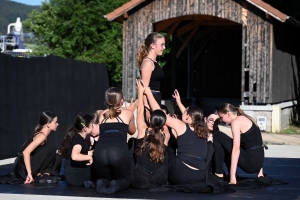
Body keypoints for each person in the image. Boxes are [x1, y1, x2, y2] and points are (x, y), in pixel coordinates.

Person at [141, 81, 209, 185]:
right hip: (200, 176)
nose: (183, 111)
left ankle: (158, 176)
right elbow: (191, 117)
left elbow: (159, 112)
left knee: (168, 149)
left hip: (182, 173)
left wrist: (149, 93)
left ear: (187, 116)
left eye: (185, 111)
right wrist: (179, 103)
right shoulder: (203, 131)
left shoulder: (181, 126)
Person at [93, 87, 137, 194]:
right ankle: (116, 184)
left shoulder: (102, 114)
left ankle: (102, 182)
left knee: (106, 177)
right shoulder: (128, 113)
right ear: (122, 101)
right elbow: (132, 131)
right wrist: (130, 111)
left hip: (99, 152)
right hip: (117, 151)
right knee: (126, 179)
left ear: (107, 101)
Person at [0, 111, 60, 184]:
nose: (57, 124)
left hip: (23, 168)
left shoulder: (41, 135)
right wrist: (29, 173)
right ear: (48, 124)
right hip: (23, 170)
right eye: (56, 122)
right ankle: (39, 174)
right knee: (51, 147)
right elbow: (26, 152)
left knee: (57, 156)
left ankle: (44, 174)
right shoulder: (41, 136)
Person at [131, 80, 170, 189]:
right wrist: (149, 93)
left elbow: (139, 113)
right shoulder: (166, 135)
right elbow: (162, 116)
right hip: (159, 179)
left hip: (140, 178)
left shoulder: (143, 130)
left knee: (132, 144)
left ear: (150, 119)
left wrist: (140, 92)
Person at [213, 103, 264, 184]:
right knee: (225, 144)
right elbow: (258, 144)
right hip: (258, 162)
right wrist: (260, 173)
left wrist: (232, 178)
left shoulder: (236, 122)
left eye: (221, 117)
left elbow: (236, 149)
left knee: (218, 136)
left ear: (228, 114)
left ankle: (219, 174)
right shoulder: (247, 118)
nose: (221, 120)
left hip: (250, 163)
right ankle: (226, 174)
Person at [59, 113, 94, 187]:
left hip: (74, 174)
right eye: (92, 125)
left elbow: (83, 152)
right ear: (85, 128)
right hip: (74, 176)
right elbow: (75, 156)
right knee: (98, 169)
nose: (93, 127)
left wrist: (94, 152)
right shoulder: (79, 139)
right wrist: (89, 157)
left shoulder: (79, 138)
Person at [137, 32, 165, 122]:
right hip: (150, 99)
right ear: (153, 45)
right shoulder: (148, 63)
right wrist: (147, 107)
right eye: (162, 45)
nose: (164, 48)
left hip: (156, 98)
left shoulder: (156, 63)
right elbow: (144, 88)